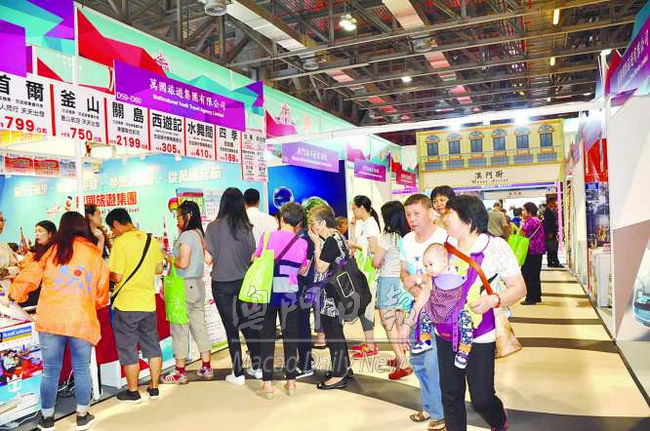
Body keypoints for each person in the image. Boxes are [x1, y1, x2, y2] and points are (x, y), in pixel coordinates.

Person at [407, 195, 526, 431]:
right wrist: (410, 321)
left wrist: (494, 299)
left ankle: (498, 419)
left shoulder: (495, 247)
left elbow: (520, 288)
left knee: (482, 397)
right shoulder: (445, 245)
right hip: (445, 331)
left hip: (480, 332)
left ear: (468, 219)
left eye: (449, 214)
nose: (444, 219)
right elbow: (430, 287)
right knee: (450, 394)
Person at [8, 211, 109, 431]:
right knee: (81, 369)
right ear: (82, 227)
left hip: (51, 320)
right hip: (81, 320)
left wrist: (14, 295)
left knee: (50, 371)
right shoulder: (93, 253)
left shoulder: (50, 251)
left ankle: (47, 419)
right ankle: (82, 415)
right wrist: (93, 302)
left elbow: (28, 278)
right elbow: (102, 291)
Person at [399, 194, 447, 430]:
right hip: (415, 307)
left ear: (430, 213)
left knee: (433, 362)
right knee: (418, 361)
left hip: (439, 309)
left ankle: (440, 412)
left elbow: (449, 272)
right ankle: (429, 406)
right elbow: (403, 270)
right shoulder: (406, 240)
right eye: (408, 214)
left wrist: (421, 281)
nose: (412, 218)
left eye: (416, 213)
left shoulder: (444, 237)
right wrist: (408, 282)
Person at [106, 208, 164, 403]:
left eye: (112, 229)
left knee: (129, 348)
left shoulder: (120, 242)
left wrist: (107, 273)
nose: (113, 233)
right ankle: (154, 388)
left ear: (116, 224)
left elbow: (117, 276)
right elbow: (158, 269)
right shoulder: (150, 240)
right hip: (148, 303)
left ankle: (133, 391)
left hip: (127, 305)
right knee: (153, 346)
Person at [205, 188, 259, 385]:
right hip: (243, 282)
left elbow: (208, 259)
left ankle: (237, 373)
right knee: (248, 324)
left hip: (221, 285)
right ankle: (258, 366)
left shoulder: (213, 227)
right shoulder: (247, 227)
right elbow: (253, 257)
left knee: (231, 329)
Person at [257, 202, 309, 399]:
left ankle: (267, 384)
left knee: (266, 336)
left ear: (281, 218)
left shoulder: (267, 237)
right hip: (289, 293)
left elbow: (258, 259)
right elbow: (302, 269)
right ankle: (291, 381)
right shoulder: (302, 243)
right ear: (298, 222)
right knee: (290, 336)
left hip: (268, 292)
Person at [161, 201, 213, 384]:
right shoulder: (199, 234)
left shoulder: (186, 236)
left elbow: (183, 263)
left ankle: (180, 372)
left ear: (188, 215)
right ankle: (207, 367)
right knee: (199, 326)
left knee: (180, 329)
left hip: (183, 287)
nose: (178, 219)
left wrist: (169, 257)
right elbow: (208, 259)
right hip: (197, 285)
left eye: (179, 215)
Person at [309, 205, 353, 390]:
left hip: (331, 295)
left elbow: (321, 267)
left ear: (322, 223)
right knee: (336, 331)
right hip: (337, 292)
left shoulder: (330, 241)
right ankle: (344, 367)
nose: (312, 226)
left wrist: (316, 244)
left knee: (333, 332)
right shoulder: (337, 237)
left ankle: (338, 374)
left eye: (313, 222)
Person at [372, 201, 413, 380]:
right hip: (403, 282)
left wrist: (376, 259)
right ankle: (400, 356)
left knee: (388, 323)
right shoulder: (408, 235)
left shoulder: (388, 236)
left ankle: (403, 364)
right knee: (399, 321)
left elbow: (376, 261)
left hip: (388, 281)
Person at [348, 195, 380, 359]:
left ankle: (370, 345)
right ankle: (369, 342)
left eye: (354, 208)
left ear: (361, 207)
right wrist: (352, 227)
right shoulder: (365, 224)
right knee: (363, 306)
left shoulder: (371, 224)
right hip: (363, 272)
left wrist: (354, 245)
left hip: (369, 274)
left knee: (366, 307)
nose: (353, 211)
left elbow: (373, 249)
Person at [18, 220, 57, 308]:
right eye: (35, 231)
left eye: (40, 231)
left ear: (50, 233)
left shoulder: (57, 252)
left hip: (51, 293)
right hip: (32, 291)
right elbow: (25, 273)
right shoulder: (33, 253)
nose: (36, 234)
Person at [520, 202, 546, 305]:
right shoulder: (537, 220)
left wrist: (523, 222)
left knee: (527, 274)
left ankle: (530, 298)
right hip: (538, 251)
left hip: (531, 251)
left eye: (524, 210)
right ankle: (536, 296)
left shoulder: (530, 221)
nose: (522, 212)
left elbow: (522, 232)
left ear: (529, 212)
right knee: (535, 274)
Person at [543, 198, 563, 268]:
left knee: (552, 248)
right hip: (550, 233)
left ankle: (551, 262)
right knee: (552, 248)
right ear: (550, 203)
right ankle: (554, 262)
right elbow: (547, 223)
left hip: (553, 232)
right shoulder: (547, 211)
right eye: (554, 202)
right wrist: (550, 232)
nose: (555, 204)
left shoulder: (551, 210)